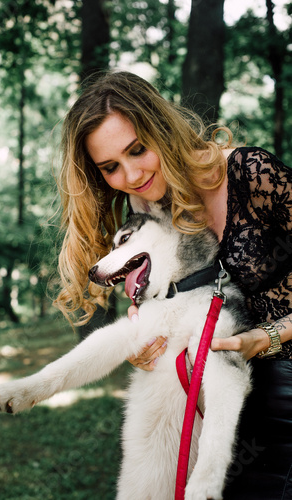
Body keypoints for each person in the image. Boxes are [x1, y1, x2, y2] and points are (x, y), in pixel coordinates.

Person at [55, 71, 292, 499]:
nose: (130, 174)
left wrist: (268, 336)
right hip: (220, 402)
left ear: (160, 128)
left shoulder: (250, 173)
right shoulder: (145, 201)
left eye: (138, 150)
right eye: (111, 167)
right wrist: (147, 327)